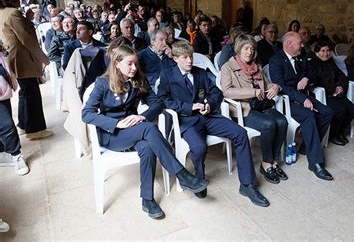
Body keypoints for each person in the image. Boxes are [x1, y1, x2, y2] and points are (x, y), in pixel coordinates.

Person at [82, 45, 209, 218]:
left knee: (147, 147)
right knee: (149, 128)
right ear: (117, 63)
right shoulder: (103, 83)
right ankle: (182, 175)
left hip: (135, 130)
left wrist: (143, 116)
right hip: (111, 135)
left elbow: (157, 103)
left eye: (136, 64)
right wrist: (117, 124)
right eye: (130, 64)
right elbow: (87, 114)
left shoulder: (139, 80)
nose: (134, 68)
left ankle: (147, 200)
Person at [158, 41, 270, 207]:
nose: (190, 61)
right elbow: (163, 100)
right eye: (185, 58)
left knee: (240, 134)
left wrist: (210, 104)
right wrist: (190, 107)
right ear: (175, 59)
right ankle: (199, 177)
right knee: (199, 147)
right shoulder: (167, 75)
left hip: (209, 116)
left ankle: (247, 185)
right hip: (187, 121)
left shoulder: (200, 73)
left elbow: (216, 93)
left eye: (191, 57)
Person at [221, 35, 288, 184]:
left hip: (262, 104)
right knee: (269, 124)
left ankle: (274, 162)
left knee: (282, 122)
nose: (249, 52)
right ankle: (266, 163)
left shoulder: (256, 65)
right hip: (244, 108)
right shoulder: (228, 67)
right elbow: (227, 92)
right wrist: (253, 92)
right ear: (239, 49)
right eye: (246, 48)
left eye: (252, 48)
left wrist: (276, 87)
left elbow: (267, 84)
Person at [269, 32, 334, 181]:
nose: (302, 45)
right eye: (300, 43)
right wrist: (301, 99)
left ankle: (306, 146)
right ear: (289, 44)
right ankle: (316, 163)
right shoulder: (276, 61)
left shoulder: (301, 55)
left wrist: (306, 77)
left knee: (327, 112)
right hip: (286, 101)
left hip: (303, 95)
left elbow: (312, 70)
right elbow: (281, 86)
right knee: (308, 116)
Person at [0, 0, 53, 139]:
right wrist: (43, 58)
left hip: (13, 56)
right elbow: (27, 38)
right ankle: (35, 130)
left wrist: (27, 19)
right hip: (21, 57)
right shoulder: (14, 13)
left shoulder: (3, 12)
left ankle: (23, 124)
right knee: (32, 93)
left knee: (25, 92)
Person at [311, 41, 354, 146]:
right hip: (324, 95)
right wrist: (333, 90)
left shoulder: (330, 62)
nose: (326, 53)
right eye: (323, 51)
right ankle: (333, 135)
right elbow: (316, 82)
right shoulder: (313, 64)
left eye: (328, 51)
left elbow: (341, 76)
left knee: (352, 109)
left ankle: (339, 132)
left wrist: (340, 86)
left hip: (335, 93)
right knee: (340, 111)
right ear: (317, 52)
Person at [0, 40, 29, 175]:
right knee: (7, 125)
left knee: (6, 123)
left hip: (2, 89)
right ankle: (14, 155)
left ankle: (10, 153)